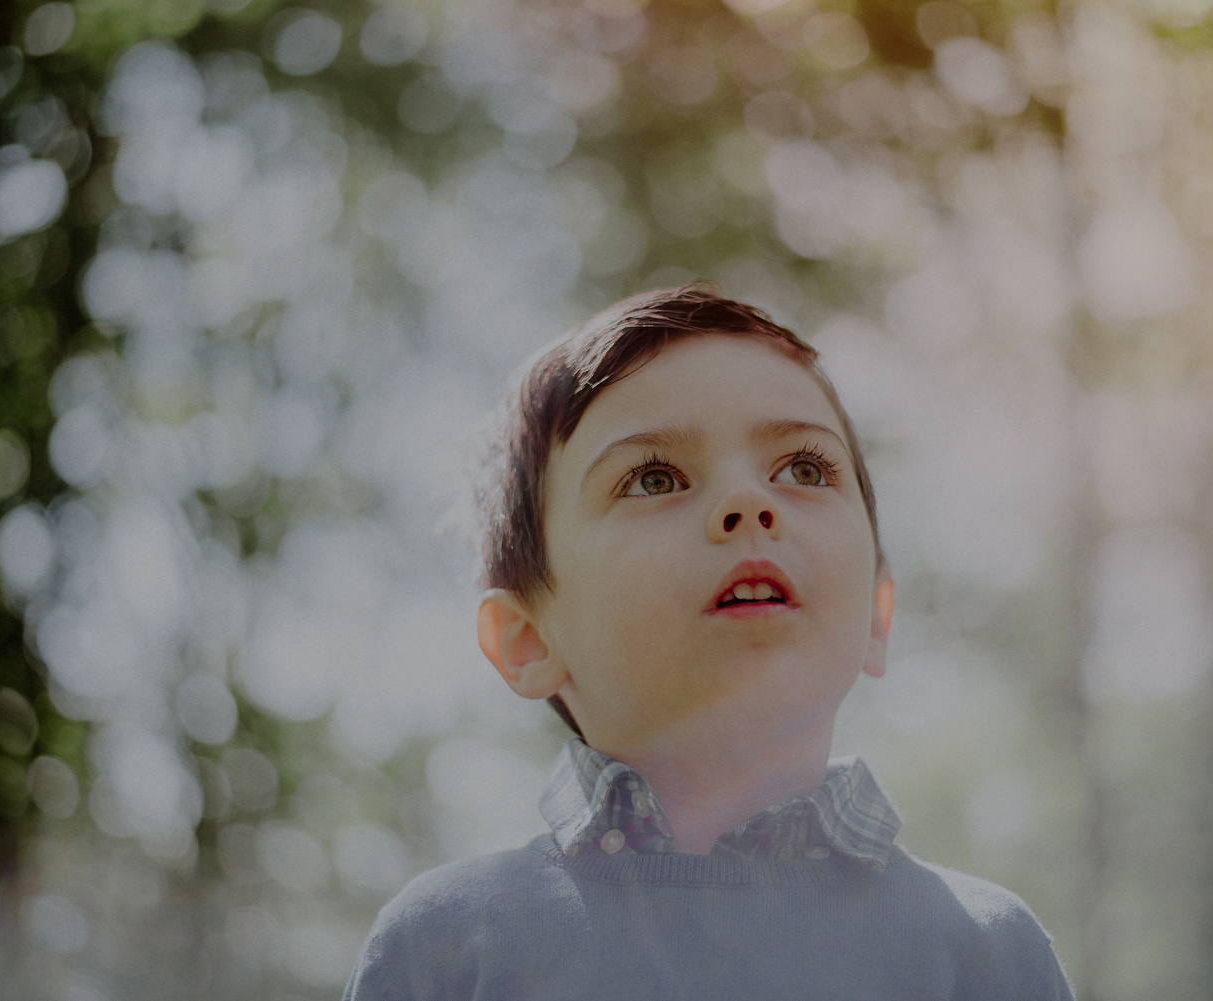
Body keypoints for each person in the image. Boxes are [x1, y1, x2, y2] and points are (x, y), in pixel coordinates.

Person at [342, 284, 1075, 1000]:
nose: (748, 502)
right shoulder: (444, 948)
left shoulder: (986, 952)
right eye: (654, 478)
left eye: (803, 468)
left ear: (877, 618)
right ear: (528, 640)